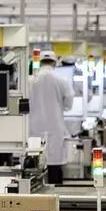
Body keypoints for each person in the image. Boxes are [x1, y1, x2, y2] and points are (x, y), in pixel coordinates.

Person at [29, 54, 75, 185]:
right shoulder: (61, 80)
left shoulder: (30, 80)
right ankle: (55, 194)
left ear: (39, 62)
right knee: (55, 167)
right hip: (55, 128)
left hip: (33, 129)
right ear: (55, 63)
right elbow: (68, 105)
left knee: (34, 166)